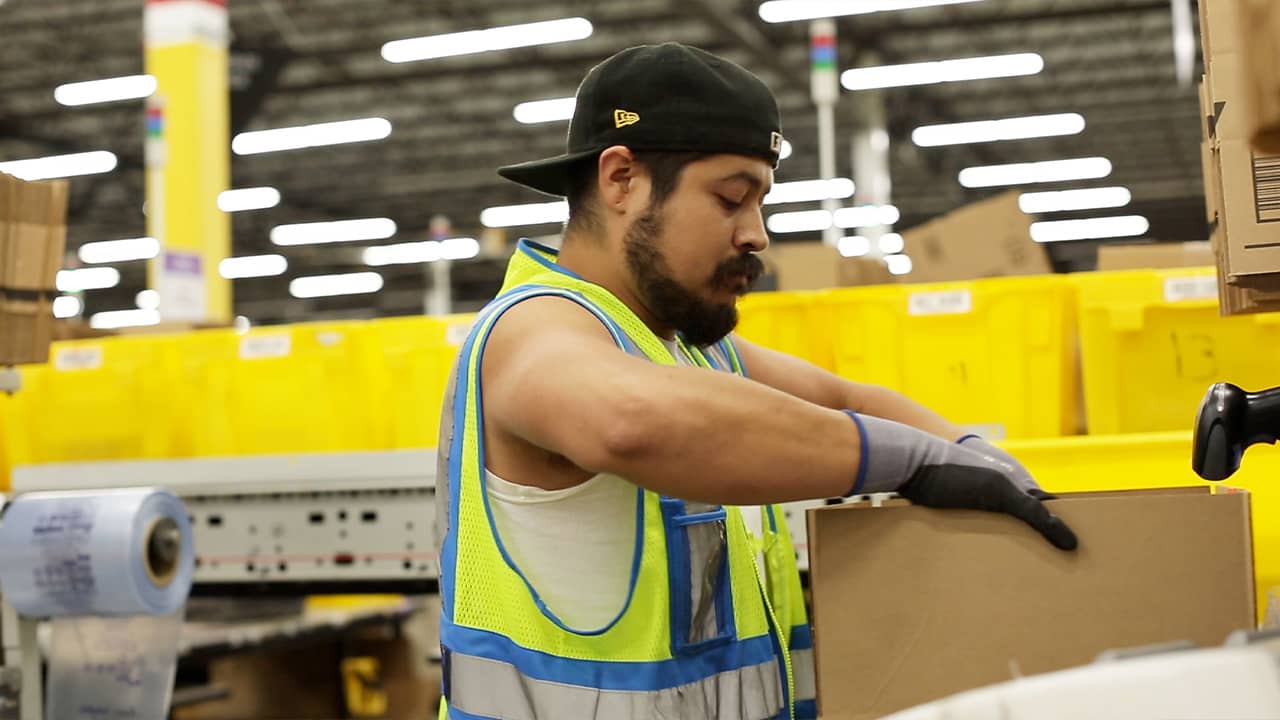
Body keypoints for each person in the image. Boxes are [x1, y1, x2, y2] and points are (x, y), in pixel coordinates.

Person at [434, 42, 1078, 720]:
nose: (757, 234)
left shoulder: (691, 351)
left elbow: (850, 401)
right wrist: (910, 463)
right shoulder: (532, 330)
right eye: (731, 199)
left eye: (760, 202)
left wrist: (974, 452)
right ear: (621, 179)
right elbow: (630, 421)